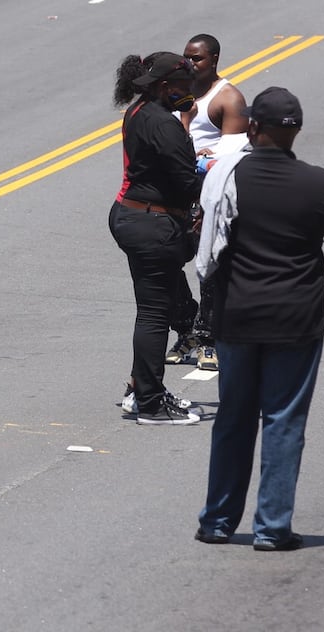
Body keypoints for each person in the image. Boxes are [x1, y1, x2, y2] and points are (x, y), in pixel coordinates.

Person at [195, 88, 324, 550]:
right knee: (283, 420)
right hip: (296, 318)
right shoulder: (318, 182)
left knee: (234, 418)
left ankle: (217, 522)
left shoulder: (227, 177)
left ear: (254, 128)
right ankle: (272, 528)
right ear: (295, 130)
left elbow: (209, 247)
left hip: (238, 315)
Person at [108, 52, 203, 425]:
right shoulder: (164, 124)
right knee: (153, 314)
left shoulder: (139, 112)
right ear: (165, 87)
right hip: (152, 224)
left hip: (133, 216)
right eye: (183, 87)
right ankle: (149, 403)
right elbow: (186, 183)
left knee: (166, 306)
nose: (189, 92)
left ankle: (140, 386)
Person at [167, 34, 250, 371]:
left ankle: (208, 340)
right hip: (173, 192)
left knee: (209, 268)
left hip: (208, 194)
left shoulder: (227, 97)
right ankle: (187, 325)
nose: (190, 63)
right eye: (186, 56)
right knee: (165, 262)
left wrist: (205, 156)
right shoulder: (172, 93)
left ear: (214, 59)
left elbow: (235, 153)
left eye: (197, 58)